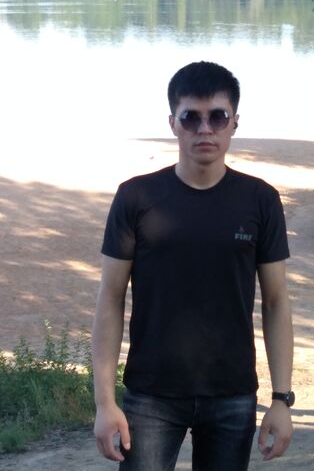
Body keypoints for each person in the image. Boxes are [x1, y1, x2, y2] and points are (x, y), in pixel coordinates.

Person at [92, 61, 294, 471]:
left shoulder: (261, 200)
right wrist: (104, 403)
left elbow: (276, 302)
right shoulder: (135, 198)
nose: (205, 129)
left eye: (217, 116)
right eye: (191, 118)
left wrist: (281, 399)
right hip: (151, 395)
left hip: (232, 394)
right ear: (173, 123)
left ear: (234, 122)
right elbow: (110, 299)